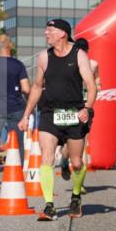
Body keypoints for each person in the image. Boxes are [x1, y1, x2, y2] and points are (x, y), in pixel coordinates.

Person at [18, 19, 97, 220]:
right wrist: (26, 115)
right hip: (49, 113)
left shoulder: (79, 55)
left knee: (77, 162)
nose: (46, 33)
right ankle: (49, 205)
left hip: (75, 113)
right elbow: (37, 87)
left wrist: (87, 108)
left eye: (50, 30)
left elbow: (90, 84)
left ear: (63, 33)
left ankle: (76, 197)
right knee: (47, 156)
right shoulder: (44, 57)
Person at [0, 34, 30, 189]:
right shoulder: (18, 65)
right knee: (19, 143)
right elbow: (26, 88)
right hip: (16, 107)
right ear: (10, 46)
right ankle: (19, 176)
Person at [59, 37, 99, 183]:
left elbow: (97, 84)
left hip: (78, 104)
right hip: (76, 105)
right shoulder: (92, 63)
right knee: (78, 139)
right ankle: (69, 167)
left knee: (74, 139)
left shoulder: (90, 64)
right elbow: (98, 85)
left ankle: (66, 163)